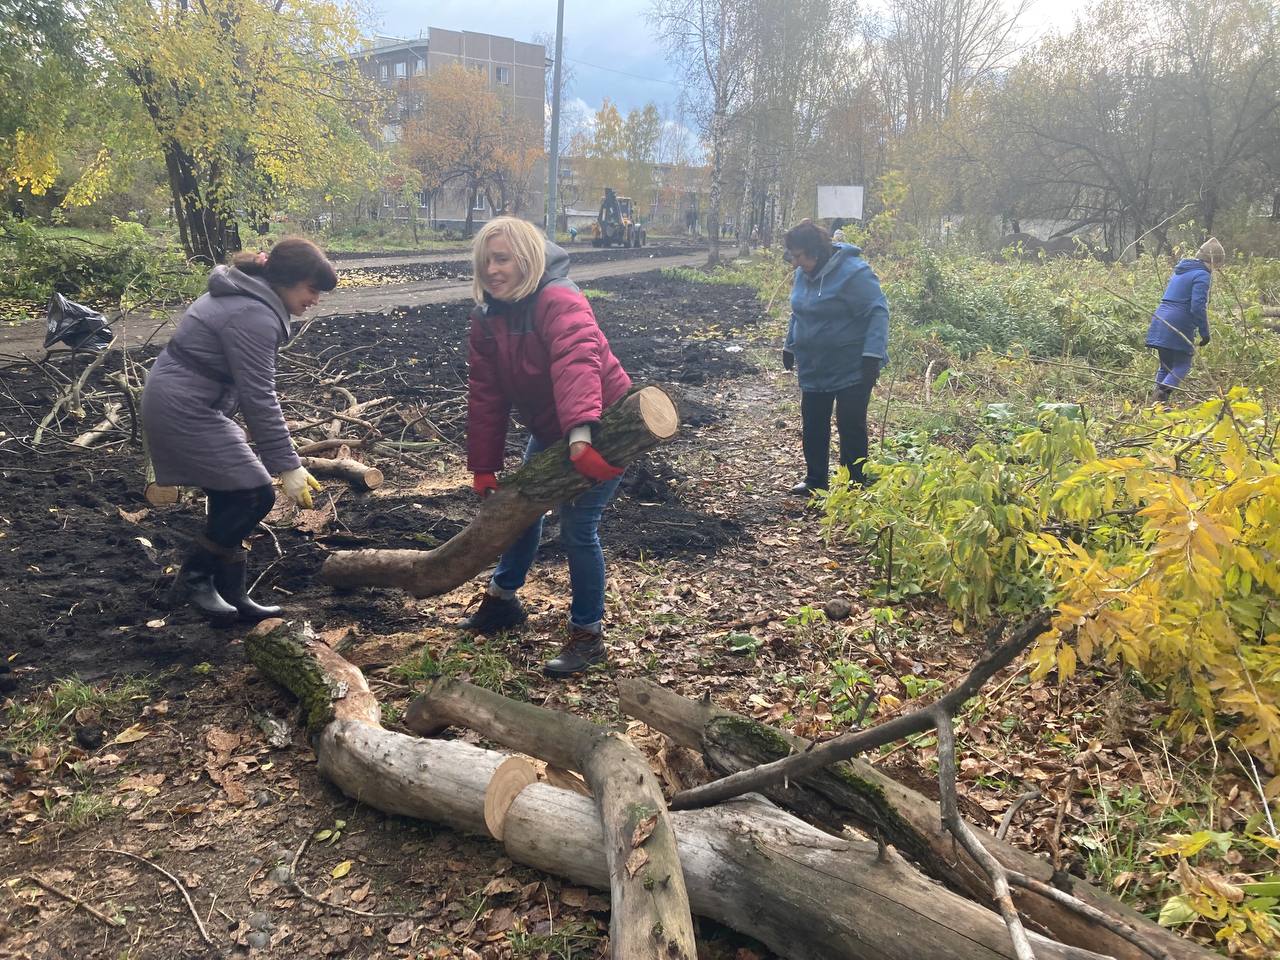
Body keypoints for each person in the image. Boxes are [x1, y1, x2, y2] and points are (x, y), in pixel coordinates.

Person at [462, 217, 632, 677]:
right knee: (519, 509)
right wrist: (484, 464)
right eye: (485, 262)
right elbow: (486, 394)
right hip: (553, 428)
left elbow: (578, 361)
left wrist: (580, 433)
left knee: (578, 527)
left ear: (528, 259)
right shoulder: (488, 317)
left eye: (502, 259)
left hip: (605, 425)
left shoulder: (560, 299)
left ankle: (588, 635)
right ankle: (503, 601)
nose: (492, 270)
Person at [141, 238, 337, 621]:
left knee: (233, 493)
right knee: (255, 494)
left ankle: (232, 593)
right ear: (286, 280)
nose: (315, 299)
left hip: (192, 403)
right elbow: (259, 396)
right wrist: (288, 465)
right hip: (184, 409)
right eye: (312, 289)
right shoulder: (253, 314)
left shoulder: (248, 296)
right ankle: (195, 578)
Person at [782, 220, 889, 495]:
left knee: (850, 424)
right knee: (814, 423)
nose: (794, 263)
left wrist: (872, 356)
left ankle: (853, 484)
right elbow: (798, 312)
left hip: (852, 365)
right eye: (791, 256)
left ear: (815, 252)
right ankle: (816, 480)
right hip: (814, 365)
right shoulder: (803, 274)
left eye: (798, 256)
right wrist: (790, 345)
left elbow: (878, 312)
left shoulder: (854, 273)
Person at [1145, 238, 1223, 403]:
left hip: (1161, 318)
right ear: (1214, 261)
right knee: (1182, 365)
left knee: (1165, 366)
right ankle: (1161, 397)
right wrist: (1204, 332)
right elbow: (1197, 306)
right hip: (1178, 322)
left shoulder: (1181, 270)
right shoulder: (1203, 274)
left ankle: (1155, 405)